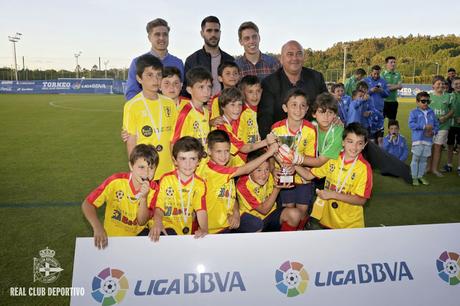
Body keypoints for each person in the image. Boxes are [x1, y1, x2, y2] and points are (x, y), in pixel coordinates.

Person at [197, 130, 278, 234]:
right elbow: (246, 169)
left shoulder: (225, 166)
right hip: (216, 227)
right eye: (219, 151)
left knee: (256, 224)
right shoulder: (213, 170)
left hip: (230, 218)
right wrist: (269, 153)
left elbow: (231, 195)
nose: (223, 156)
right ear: (209, 151)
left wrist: (235, 213)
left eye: (226, 151)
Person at [294, 123, 373, 229]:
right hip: (328, 221)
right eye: (350, 141)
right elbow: (308, 175)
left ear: (364, 145)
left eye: (359, 143)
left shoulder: (364, 168)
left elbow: (361, 200)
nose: (354, 147)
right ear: (343, 142)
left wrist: (333, 195)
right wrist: (292, 163)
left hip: (350, 225)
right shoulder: (333, 159)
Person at [81, 144, 159, 249]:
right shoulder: (116, 182)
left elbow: (141, 221)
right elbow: (88, 204)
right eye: (141, 167)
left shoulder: (154, 190)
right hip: (111, 239)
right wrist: (98, 227)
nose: (146, 172)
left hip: (137, 240)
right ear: (131, 166)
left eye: (151, 168)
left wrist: (144, 198)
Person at [257, 40, 327, 139]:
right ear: (281, 59)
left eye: (299, 54)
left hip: (312, 140)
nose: (294, 58)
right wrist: (271, 144)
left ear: (304, 57)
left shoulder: (316, 78)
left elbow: (326, 107)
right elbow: (265, 118)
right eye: (290, 54)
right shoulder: (269, 83)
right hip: (280, 141)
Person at [122, 54, 177, 180]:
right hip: (146, 170)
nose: (155, 79)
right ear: (139, 78)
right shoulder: (131, 106)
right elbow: (131, 140)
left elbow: (174, 136)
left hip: (169, 169)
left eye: (158, 75)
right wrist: (136, 169)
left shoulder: (169, 103)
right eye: (150, 75)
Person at [146, 137, 208, 241]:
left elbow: (201, 210)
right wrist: (157, 222)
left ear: (199, 161)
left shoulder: (200, 184)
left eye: (192, 159)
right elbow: (159, 207)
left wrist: (204, 229)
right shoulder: (166, 179)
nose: (188, 164)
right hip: (163, 226)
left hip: (184, 231)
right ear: (175, 161)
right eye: (183, 159)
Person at [272, 89, 317, 230]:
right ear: (285, 107)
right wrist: (273, 170)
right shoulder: (276, 129)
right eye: (294, 105)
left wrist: (294, 163)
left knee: (302, 212)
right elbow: (271, 155)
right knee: (289, 210)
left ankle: (300, 233)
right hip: (284, 177)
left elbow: (310, 159)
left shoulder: (310, 130)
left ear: (307, 108)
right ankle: (288, 241)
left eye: (303, 105)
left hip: (303, 178)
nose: (298, 109)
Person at [236, 149, 301, 232]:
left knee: (295, 214)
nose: (264, 174)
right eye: (259, 170)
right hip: (253, 222)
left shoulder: (271, 174)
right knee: (256, 224)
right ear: (249, 170)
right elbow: (264, 210)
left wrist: (290, 169)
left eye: (266, 169)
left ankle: (285, 241)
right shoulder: (242, 185)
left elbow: (289, 180)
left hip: (271, 215)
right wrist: (277, 189)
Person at [216, 87, 277, 166]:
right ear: (223, 107)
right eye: (232, 105)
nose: (237, 108)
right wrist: (266, 142)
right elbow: (244, 149)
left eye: (240, 104)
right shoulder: (221, 127)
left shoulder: (236, 121)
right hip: (224, 171)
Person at [125, 18, 184, 100]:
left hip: (172, 111)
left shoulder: (178, 62)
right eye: (157, 34)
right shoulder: (137, 62)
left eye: (165, 34)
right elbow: (131, 93)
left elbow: (182, 91)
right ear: (149, 37)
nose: (162, 38)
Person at [184, 16, 234, 96]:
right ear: (202, 33)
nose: (213, 34)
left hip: (225, 106)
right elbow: (186, 90)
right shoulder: (192, 60)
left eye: (216, 31)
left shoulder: (230, 60)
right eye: (209, 31)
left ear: (220, 33)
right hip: (201, 107)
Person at [173, 67, 212, 150]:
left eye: (209, 87)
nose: (206, 91)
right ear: (189, 90)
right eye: (201, 87)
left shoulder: (206, 111)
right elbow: (175, 141)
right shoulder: (184, 112)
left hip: (204, 160)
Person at [304, 93, 344, 168]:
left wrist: (294, 158)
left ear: (335, 115)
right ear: (314, 114)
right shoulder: (311, 128)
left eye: (330, 112)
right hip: (320, 169)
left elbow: (319, 162)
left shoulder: (338, 132)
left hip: (337, 172)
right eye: (321, 112)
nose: (326, 117)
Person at [409, 92, 439, 186]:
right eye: (423, 101)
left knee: (424, 160)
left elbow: (436, 125)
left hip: (428, 141)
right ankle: (414, 177)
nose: (426, 103)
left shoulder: (431, 112)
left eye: (427, 101)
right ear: (417, 102)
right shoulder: (413, 112)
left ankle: (420, 176)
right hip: (418, 140)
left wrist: (433, 132)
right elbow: (411, 124)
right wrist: (424, 127)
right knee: (416, 159)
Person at [429, 75, 453, 177]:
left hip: (443, 127)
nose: (441, 85)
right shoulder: (428, 96)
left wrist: (446, 117)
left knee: (438, 147)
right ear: (433, 86)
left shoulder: (448, 96)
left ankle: (434, 169)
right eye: (438, 83)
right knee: (429, 147)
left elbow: (452, 110)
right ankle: (427, 167)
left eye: (442, 83)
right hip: (430, 127)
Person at [364, 65, 389, 145]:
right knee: (369, 136)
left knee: (379, 136)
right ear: (371, 72)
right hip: (368, 110)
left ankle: (379, 154)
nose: (376, 75)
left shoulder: (383, 81)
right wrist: (371, 91)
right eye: (374, 73)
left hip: (379, 110)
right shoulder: (365, 80)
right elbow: (361, 94)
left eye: (378, 74)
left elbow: (387, 94)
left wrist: (381, 90)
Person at [442, 76, 460, 175]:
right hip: (451, 125)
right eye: (456, 84)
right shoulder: (449, 96)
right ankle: (449, 165)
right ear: (452, 86)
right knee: (450, 145)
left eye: (459, 83)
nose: (458, 85)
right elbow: (446, 109)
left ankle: (459, 167)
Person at [239, 75, 262, 144]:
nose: (255, 96)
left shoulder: (265, 109)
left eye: (258, 91)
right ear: (243, 93)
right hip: (248, 151)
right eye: (250, 92)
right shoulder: (240, 112)